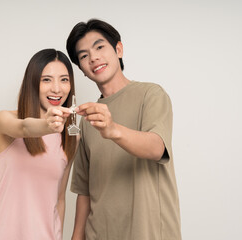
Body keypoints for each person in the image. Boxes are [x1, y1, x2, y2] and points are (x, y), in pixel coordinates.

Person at [66, 19, 182, 240]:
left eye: (99, 47)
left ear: (118, 49)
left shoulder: (151, 94)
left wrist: (113, 130)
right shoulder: (87, 119)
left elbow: (157, 147)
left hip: (148, 232)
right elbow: (84, 189)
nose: (93, 58)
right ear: (81, 69)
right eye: (83, 56)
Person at [0, 49, 77, 240]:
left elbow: (60, 199)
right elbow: (23, 128)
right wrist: (47, 125)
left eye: (64, 79)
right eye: (46, 79)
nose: (57, 88)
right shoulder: (5, 119)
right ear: (33, 83)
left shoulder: (72, 137)